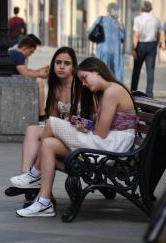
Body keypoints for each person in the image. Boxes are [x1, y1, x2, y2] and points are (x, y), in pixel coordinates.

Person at [15, 57, 138, 217]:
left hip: (111, 146)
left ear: (96, 71)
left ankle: (34, 174)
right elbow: (95, 126)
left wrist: (75, 127)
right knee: (49, 144)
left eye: (84, 77)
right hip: (107, 143)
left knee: (52, 123)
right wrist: (76, 123)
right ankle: (44, 202)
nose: (83, 83)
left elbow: (100, 133)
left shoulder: (112, 91)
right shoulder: (106, 92)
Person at [10, 47, 80, 188]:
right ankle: (27, 176)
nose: (61, 66)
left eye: (67, 64)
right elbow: (53, 118)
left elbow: (88, 121)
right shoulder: (56, 87)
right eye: (58, 62)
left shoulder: (79, 86)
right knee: (31, 130)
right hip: (62, 131)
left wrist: (65, 123)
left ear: (73, 67)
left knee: (46, 138)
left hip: (77, 134)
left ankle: (33, 176)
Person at [9, 34, 48, 121]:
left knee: (40, 80)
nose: (31, 54)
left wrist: (39, 70)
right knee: (40, 81)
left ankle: (42, 112)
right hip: (11, 82)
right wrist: (40, 74)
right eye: (31, 51)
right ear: (25, 48)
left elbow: (25, 70)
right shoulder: (18, 55)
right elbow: (24, 73)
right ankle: (41, 113)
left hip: (12, 79)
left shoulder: (14, 53)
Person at [131, 0, 162, 98]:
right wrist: (156, 44)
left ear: (142, 8)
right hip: (152, 46)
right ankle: (149, 94)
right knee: (150, 71)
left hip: (140, 46)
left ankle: (133, 91)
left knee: (136, 70)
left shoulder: (138, 19)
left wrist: (134, 48)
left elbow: (136, 34)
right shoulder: (156, 19)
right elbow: (159, 34)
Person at [87, 3, 125, 81]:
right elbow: (122, 37)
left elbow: (90, 32)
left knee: (102, 73)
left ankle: (102, 91)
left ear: (107, 10)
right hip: (116, 52)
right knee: (116, 75)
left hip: (103, 50)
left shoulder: (101, 19)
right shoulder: (119, 22)